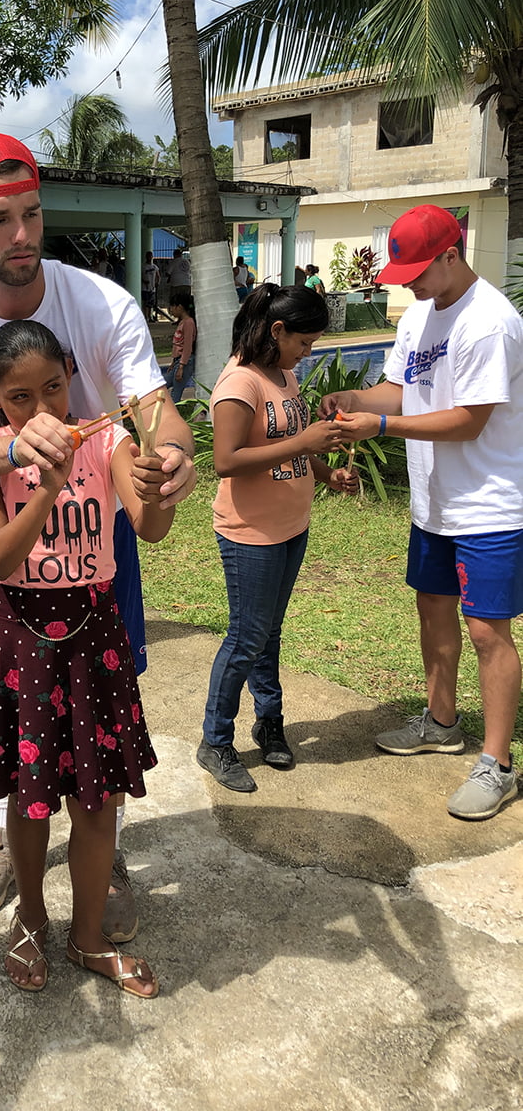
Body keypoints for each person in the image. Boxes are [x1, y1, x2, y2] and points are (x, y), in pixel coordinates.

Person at [0, 129, 196, 937]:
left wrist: (171, 459)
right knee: (12, 705)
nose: (21, 235)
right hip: (0, 523)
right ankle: (6, 835)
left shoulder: (101, 302)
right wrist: (14, 444)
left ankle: (108, 847)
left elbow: (155, 414)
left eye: (30, 213)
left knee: (106, 696)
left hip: (100, 529)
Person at [0, 319, 173, 997]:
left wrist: (155, 481)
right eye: (21, 398)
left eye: (53, 388)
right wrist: (45, 482)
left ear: (72, 375)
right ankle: (31, 917)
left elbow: (151, 526)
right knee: (29, 795)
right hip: (20, 641)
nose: (43, 411)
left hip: (92, 634)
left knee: (97, 796)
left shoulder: (105, 439)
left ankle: (86, 935)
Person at [322, 204, 523, 821]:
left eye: (417, 269)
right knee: (432, 608)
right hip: (433, 501)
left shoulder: (490, 322)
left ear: (450, 256)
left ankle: (498, 765)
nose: (406, 281)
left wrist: (380, 423)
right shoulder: (419, 316)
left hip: (489, 503)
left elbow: (470, 419)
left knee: (487, 630)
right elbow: (401, 388)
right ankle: (441, 721)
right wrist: (354, 397)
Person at [198, 284, 358, 792]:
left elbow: (288, 442)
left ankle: (270, 723)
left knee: (269, 634)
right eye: (304, 342)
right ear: (277, 330)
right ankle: (215, 740)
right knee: (246, 638)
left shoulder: (282, 375)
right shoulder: (239, 384)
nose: (307, 354)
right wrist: (303, 441)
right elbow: (226, 461)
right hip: (251, 534)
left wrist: (325, 471)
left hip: (291, 525)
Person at [164, 294, 197, 402]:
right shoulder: (182, 323)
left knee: (176, 392)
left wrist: (182, 366)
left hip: (184, 361)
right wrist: (174, 363)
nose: (171, 310)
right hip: (177, 361)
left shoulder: (188, 323)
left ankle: (172, 415)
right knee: (163, 385)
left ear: (180, 307)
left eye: (172, 307)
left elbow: (187, 346)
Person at [141, 250, 160, 321]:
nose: (150, 257)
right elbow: (140, 276)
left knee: (150, 304)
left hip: (152, 288)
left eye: (151, 256)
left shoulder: (155, 267)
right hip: (145, 287)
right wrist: (144, 281)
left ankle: (150, 316)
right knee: (145, 303)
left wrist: (157, 282)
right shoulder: (143, 266)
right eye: (148, 256)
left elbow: (158, 275)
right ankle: (145, 317)